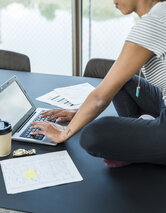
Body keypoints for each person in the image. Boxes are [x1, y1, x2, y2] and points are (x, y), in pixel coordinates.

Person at [31, 0, 166, 167]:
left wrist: (64, 133)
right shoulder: (161, 13)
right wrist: (78, 112)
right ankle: (139, 138)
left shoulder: (151, 24)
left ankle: (141, 143)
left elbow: (100, 98)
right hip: (162, 99)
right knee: (124, 81)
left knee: (92, 134)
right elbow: (112, 85)